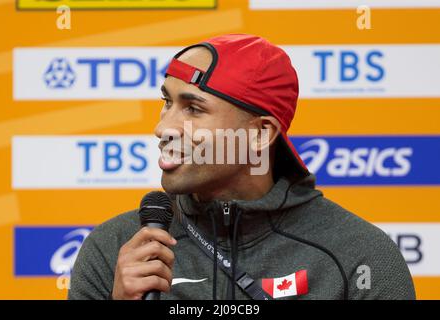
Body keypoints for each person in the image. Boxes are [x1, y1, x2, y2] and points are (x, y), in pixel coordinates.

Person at [68, 34, 415, 300]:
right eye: (167, 102)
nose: (163, 128)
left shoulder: (359, 256)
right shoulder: (115, 247)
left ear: (260, 134)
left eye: (193, 109)